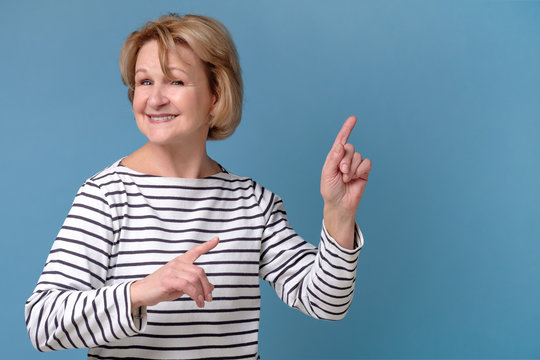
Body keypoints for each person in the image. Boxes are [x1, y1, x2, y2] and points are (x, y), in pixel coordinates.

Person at [25, 13, 372, 360]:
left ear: (215, 97)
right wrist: (143, 291)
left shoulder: (252, 204)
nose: (155, 99)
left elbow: (327, 303)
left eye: (175, 82)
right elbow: (42, 323)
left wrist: (338, 216)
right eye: (144, 82)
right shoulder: (106, 196)